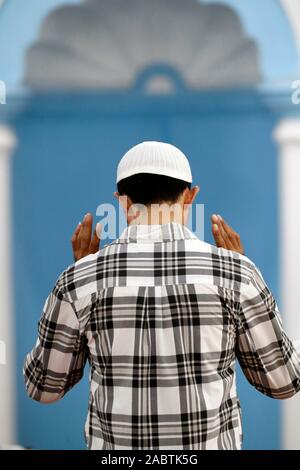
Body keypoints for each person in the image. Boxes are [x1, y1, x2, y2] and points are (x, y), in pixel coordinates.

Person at [24, 141, 300, 450]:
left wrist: (81, 274)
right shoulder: (237, 274)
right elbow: (283, 382)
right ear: (190, 196)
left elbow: (44, 388)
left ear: (123, 202)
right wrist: (242, 274)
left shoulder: (79, 280)